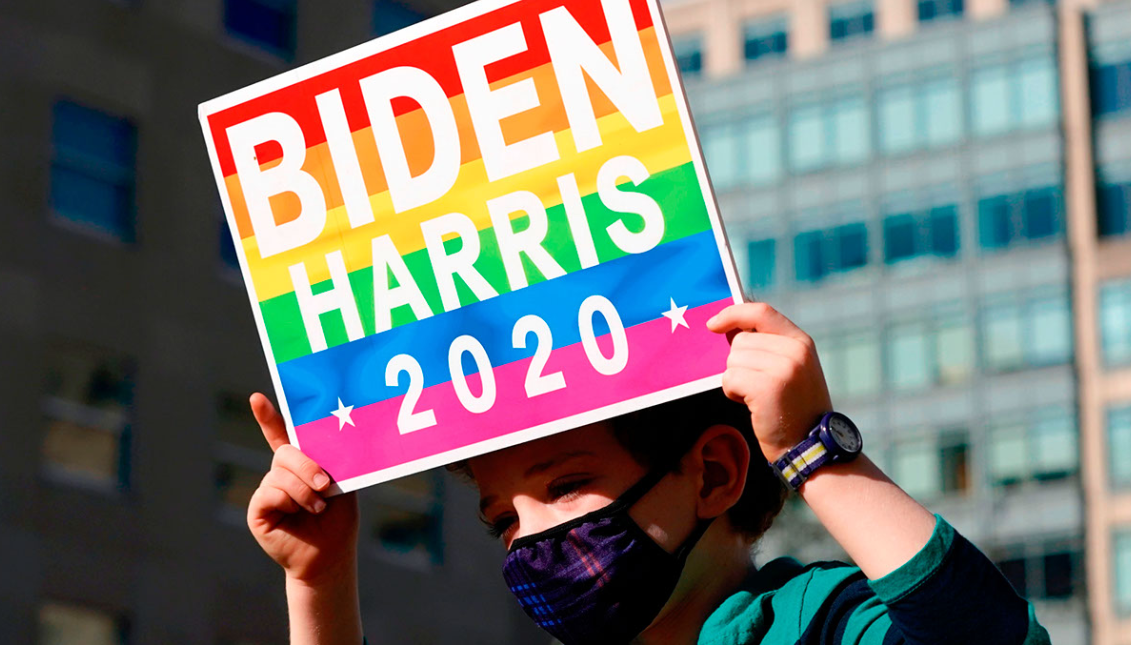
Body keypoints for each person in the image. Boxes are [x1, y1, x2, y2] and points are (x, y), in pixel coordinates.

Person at [246, 302, 1052, 645]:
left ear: (712, 472)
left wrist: (814, 452)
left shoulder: (823, 623)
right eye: (502, 520)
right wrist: (318, 579)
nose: (531, 537)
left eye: (562, 485)